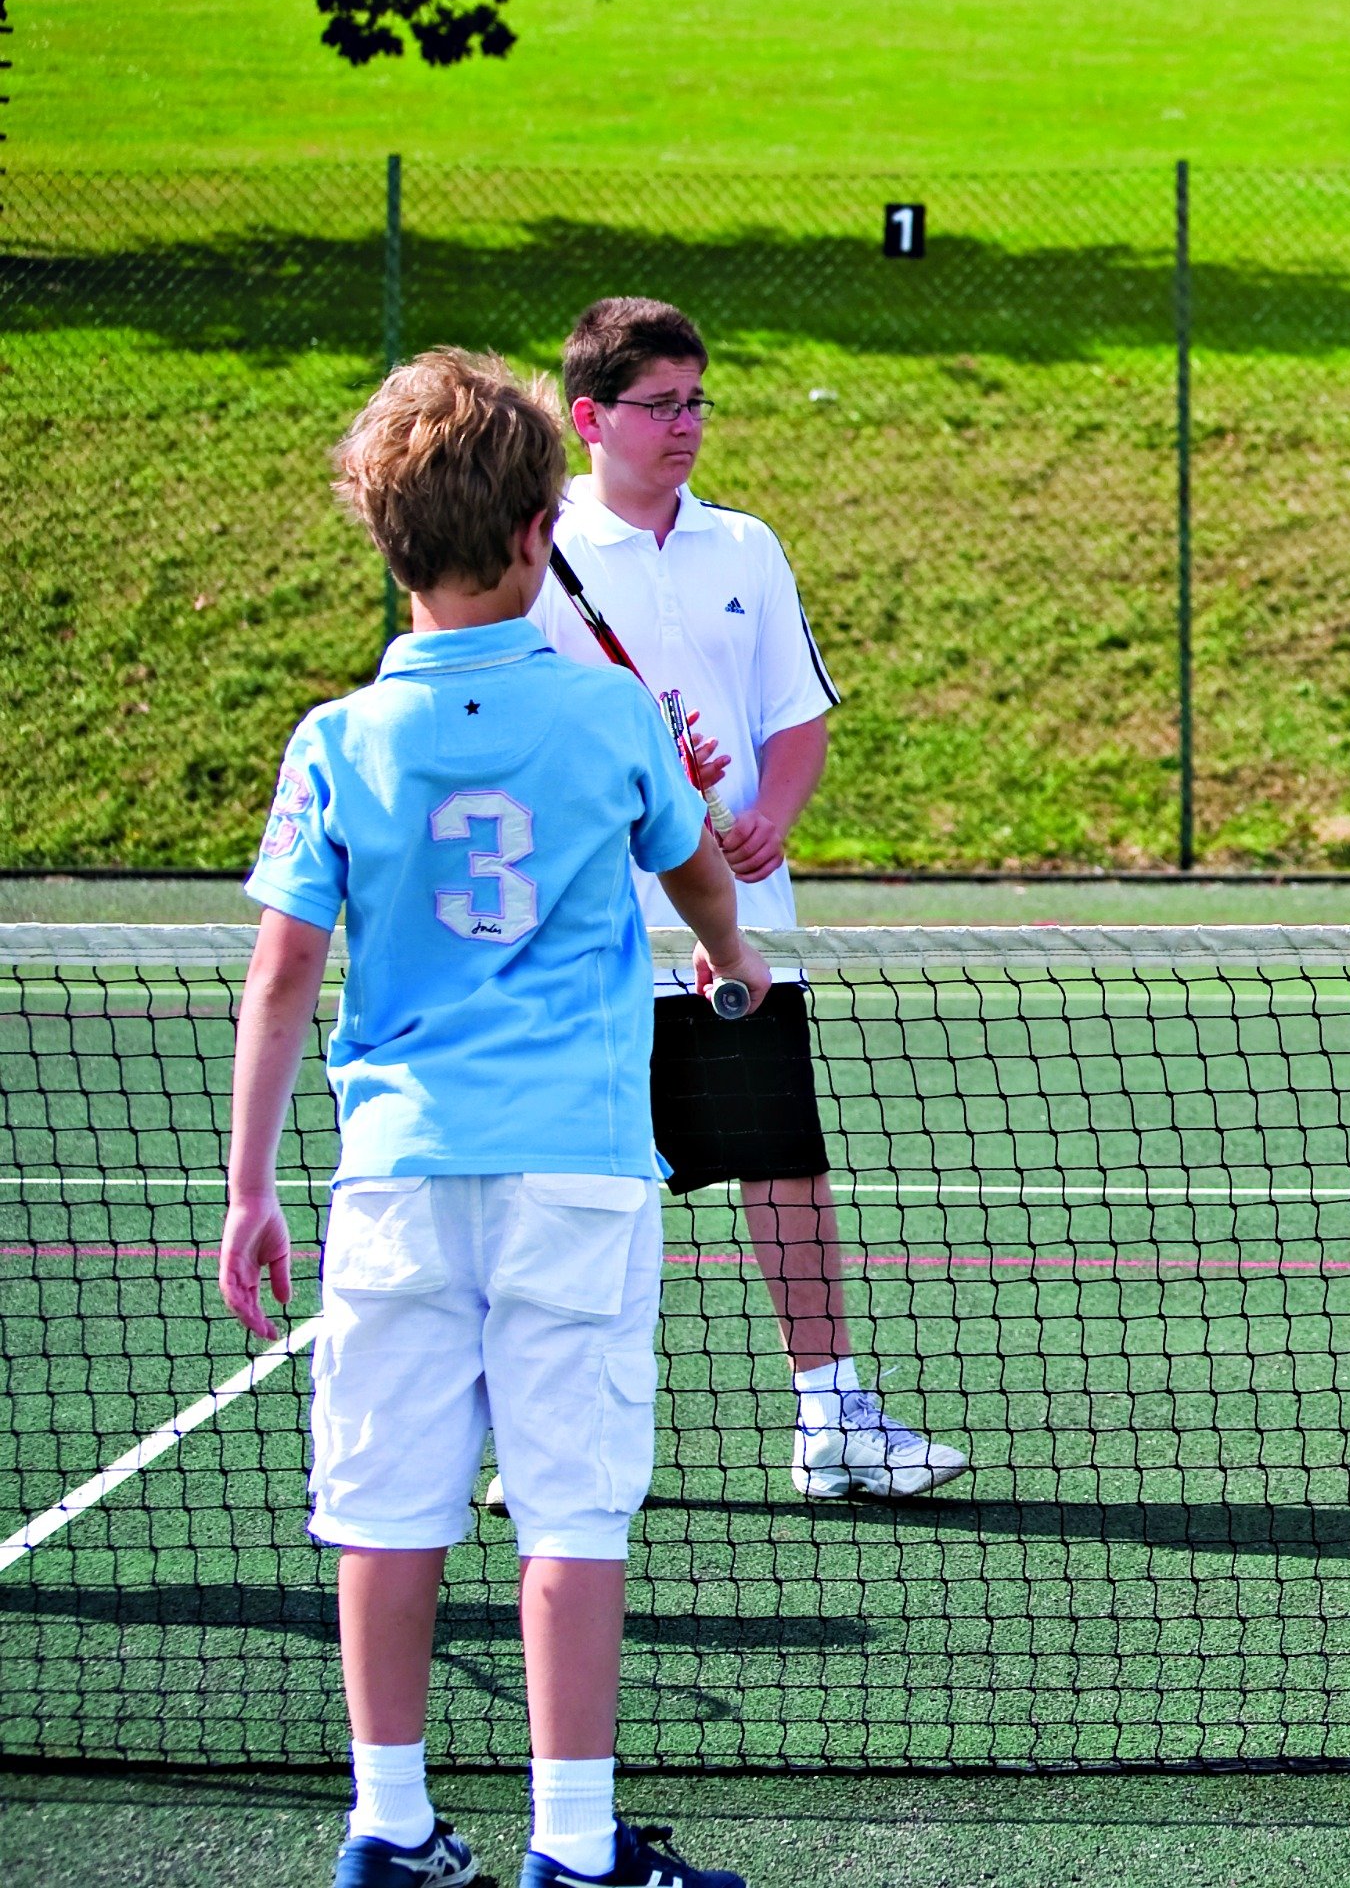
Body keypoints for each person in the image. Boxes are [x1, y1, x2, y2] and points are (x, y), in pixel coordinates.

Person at [220, 349, 767, 1888]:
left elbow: (279, 982)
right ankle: (577, 1849)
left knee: (387, 1511)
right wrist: (735, 970)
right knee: (570, 1513)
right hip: (575, 1175)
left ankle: (388, 1825)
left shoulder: (335, 741)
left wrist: (251, 1186)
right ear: (541, 534)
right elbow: (702, 876)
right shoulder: (606, 720)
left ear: (388, 542)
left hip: (393, 1175)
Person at [527, 298, 966, 1502]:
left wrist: (771, 813)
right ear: (588, 419)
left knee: (783, 1163)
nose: (685, 426)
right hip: (588, 924)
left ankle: (832, 1422)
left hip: (740, 927)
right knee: (584, 1173)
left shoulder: (745, 547)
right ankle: (549, 1435)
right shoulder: (532, 548)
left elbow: (797, 717)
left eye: (696, 401)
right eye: (659, 405)